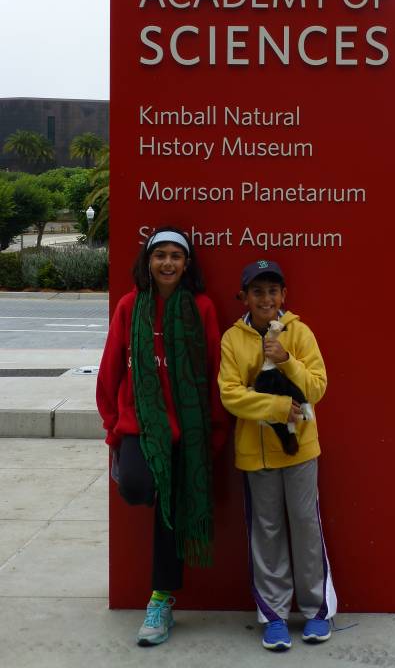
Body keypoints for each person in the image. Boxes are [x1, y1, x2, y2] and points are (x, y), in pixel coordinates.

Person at [96, 227, 228, 647]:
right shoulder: (130, 306)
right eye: (160, 255)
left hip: (186, 432)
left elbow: (213, 371)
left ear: (187, 264)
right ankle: (133, 468)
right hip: (139, 425)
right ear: (148, 262)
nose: (167, 263)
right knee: (137, 487)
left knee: (170, 513)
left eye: (176, 255)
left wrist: (213, 433)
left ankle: (160, 600)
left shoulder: (202, 308)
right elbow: (110, 369)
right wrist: (113, 429)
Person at [218, 259, 336, 652]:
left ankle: (317, 609)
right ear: (244, 297)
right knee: (266, 531)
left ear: (283, 295)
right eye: (257, 292)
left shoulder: (299, 332)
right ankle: (274, 615)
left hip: (299, 450)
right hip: (256, 455)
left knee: (305, 525)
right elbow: (230, 395)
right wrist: (277, 407)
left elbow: (317, 387)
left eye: (272, 291)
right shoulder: (232, 339)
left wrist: (287, 360)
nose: (265, 299)